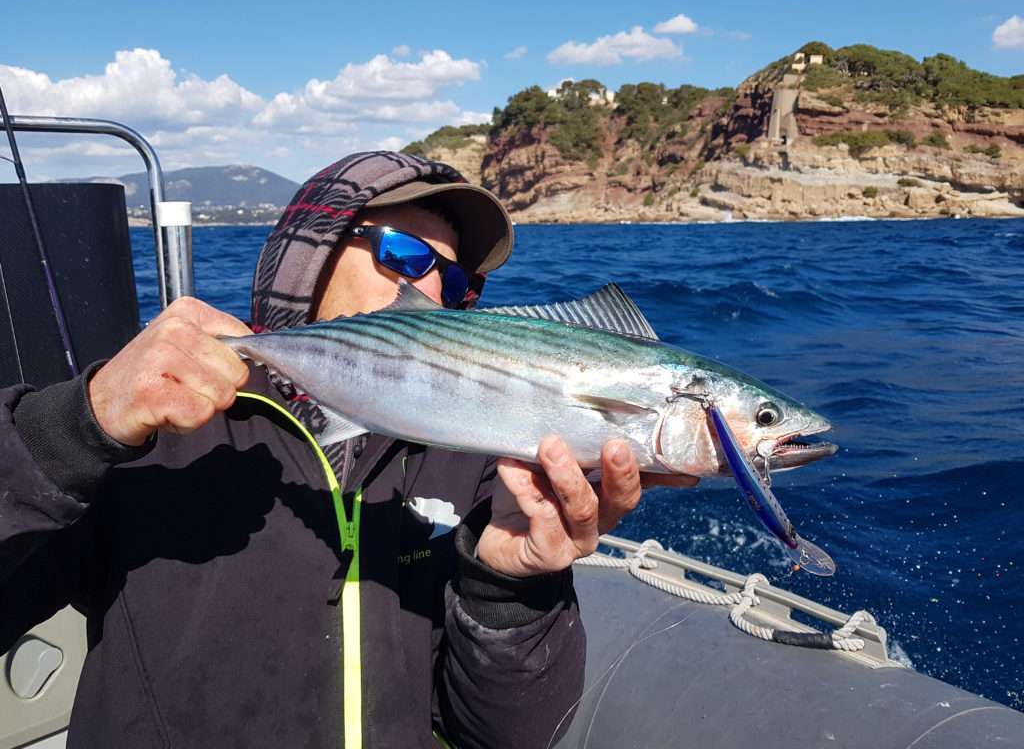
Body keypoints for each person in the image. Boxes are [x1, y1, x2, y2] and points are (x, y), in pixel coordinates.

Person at [0, 151, 696, 748]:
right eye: (404, 255)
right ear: (310, 256)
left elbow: (504, 736)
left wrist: (508, 588)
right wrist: (75, 428)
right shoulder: (163, 432)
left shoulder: (485, 466)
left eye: (459, 284)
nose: (430, 289)